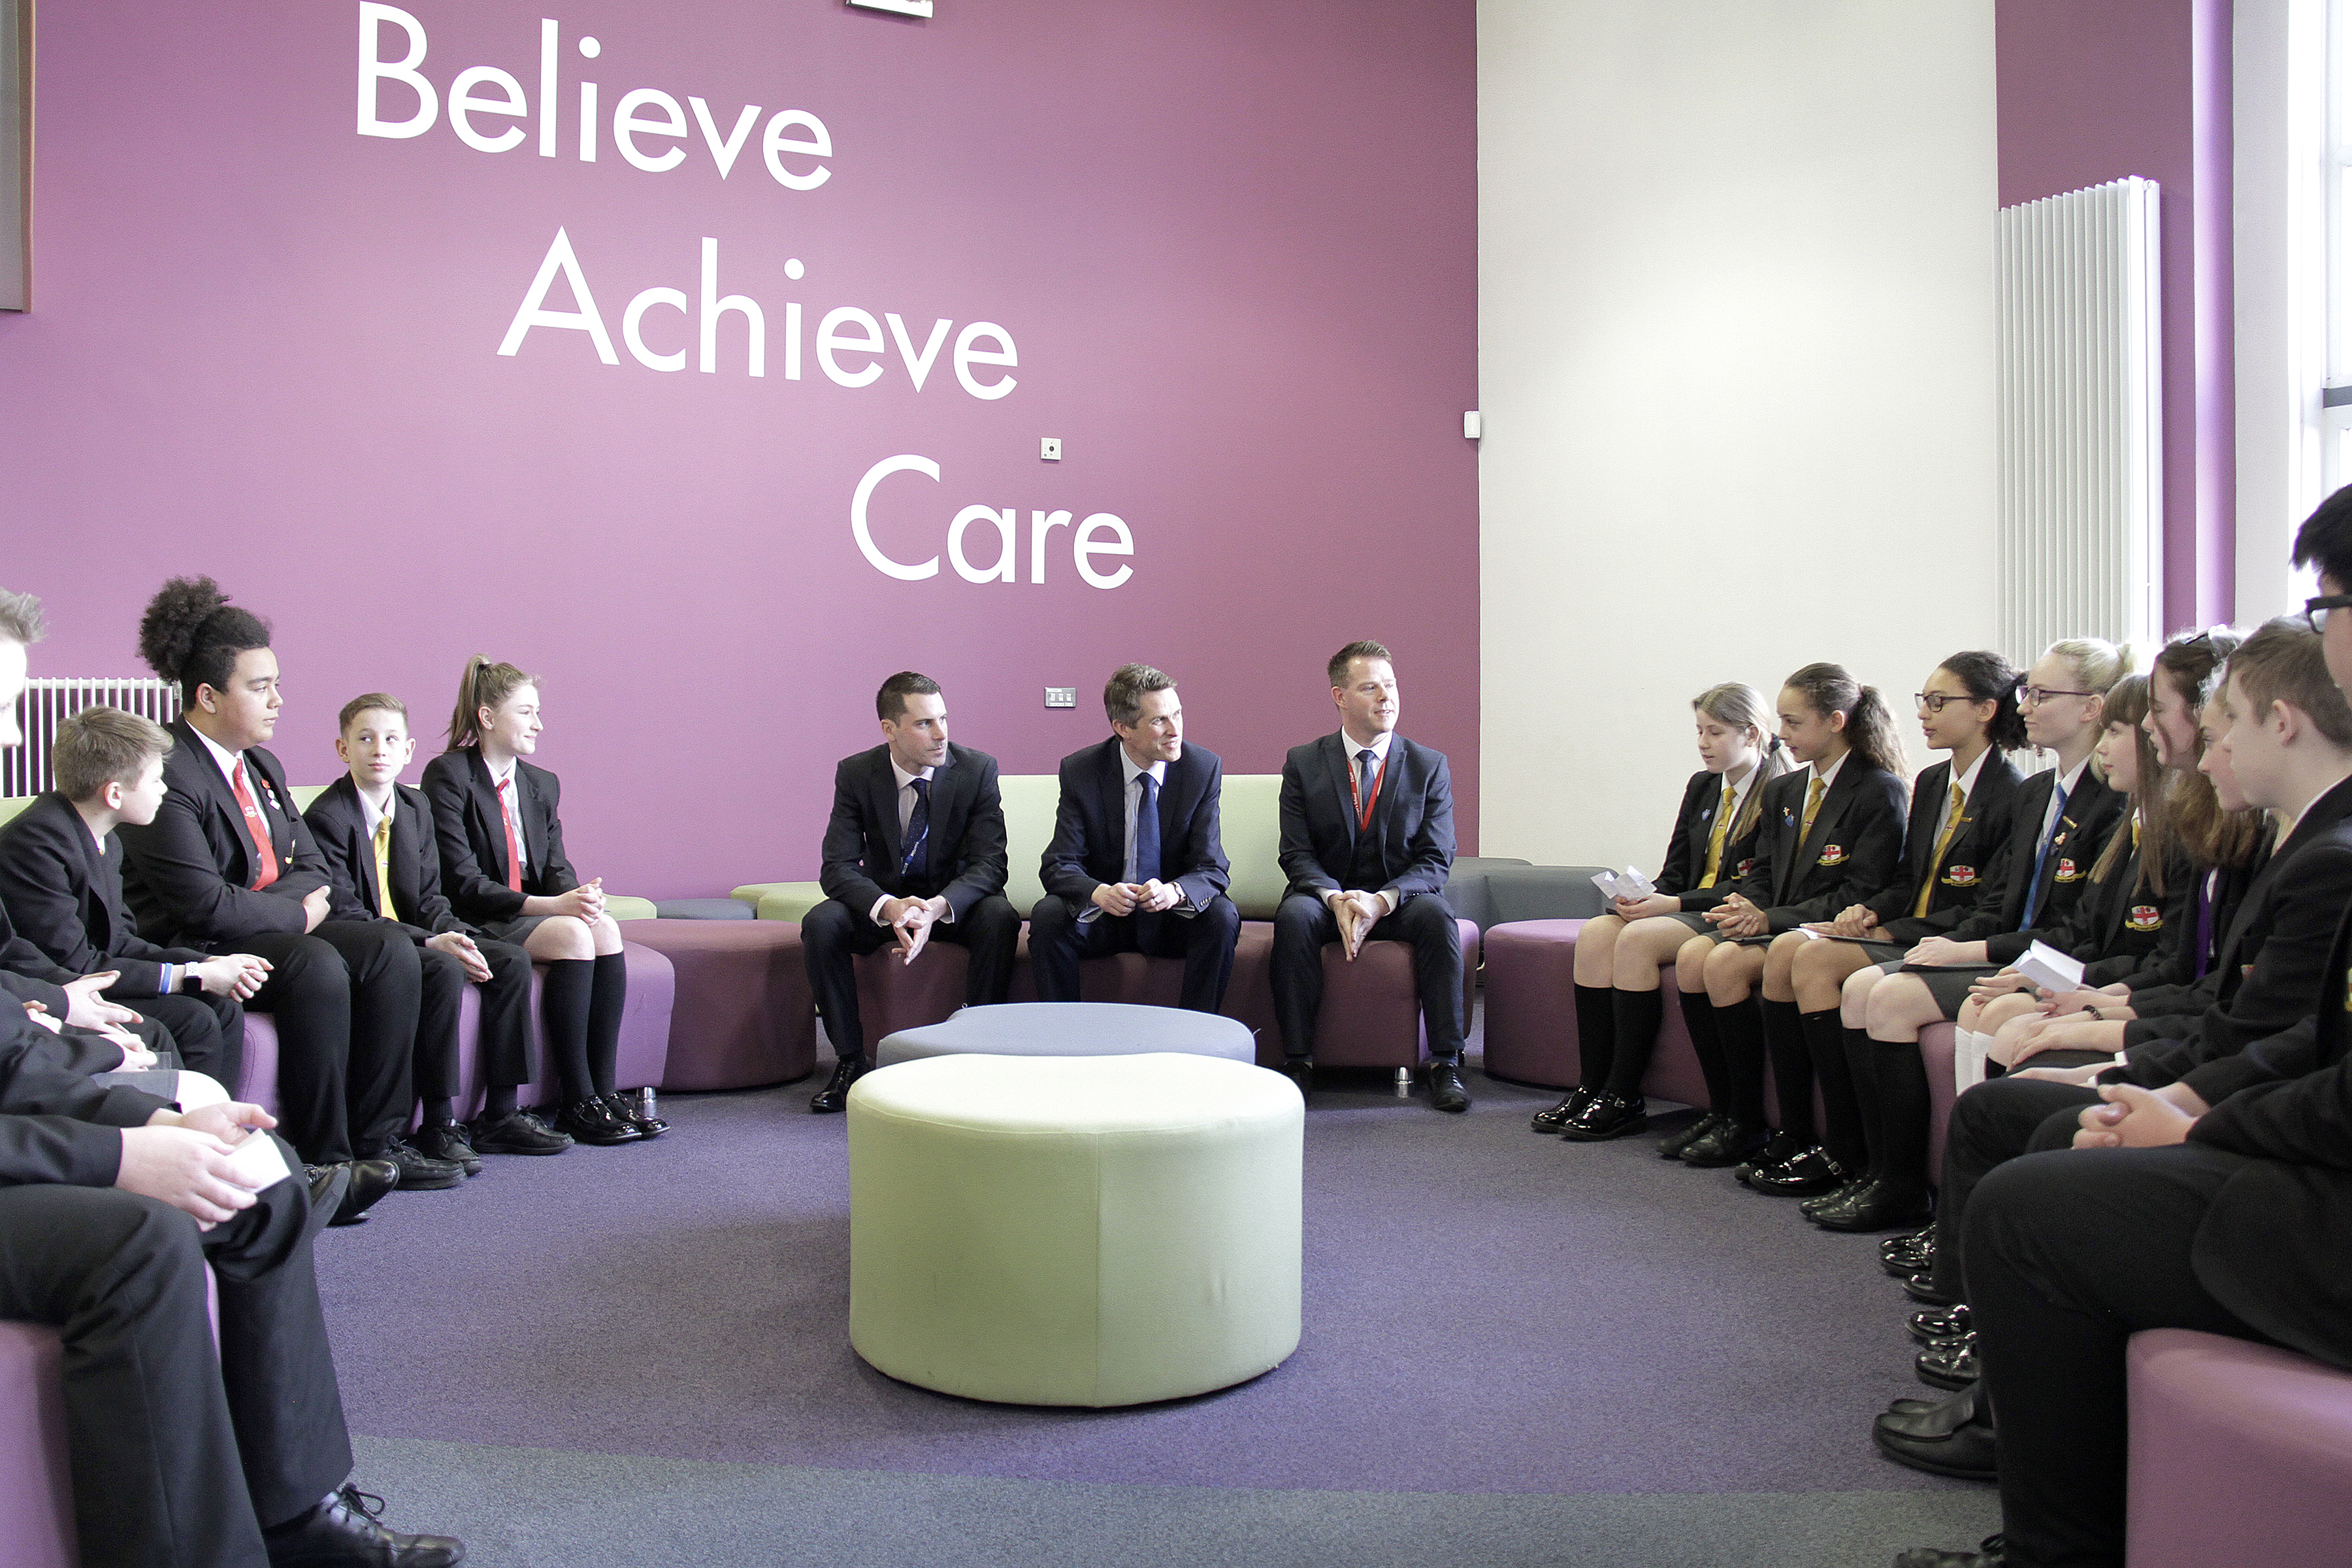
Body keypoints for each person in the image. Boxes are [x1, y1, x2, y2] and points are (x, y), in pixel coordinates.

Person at [1889, 492, 2352, 1568]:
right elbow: (2290, 1045)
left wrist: (2190, 1125)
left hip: (2327, 1202)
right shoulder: (2306, 842)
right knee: (2042, 1147)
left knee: (2027, 1205)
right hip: (2297, 1145)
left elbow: (2304, 1061)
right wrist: (2179, 1102)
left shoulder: (2326, 854)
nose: (2204, 744)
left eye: (2328, 603)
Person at [0, 587, 465, 1568]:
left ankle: (304, 1515)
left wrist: (124, 1089)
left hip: (32, 1087)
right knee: (144, 1237)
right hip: (39, 1117)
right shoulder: (48, 836)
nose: (13, 736)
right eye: (1, 709)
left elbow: (15, 1014)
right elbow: (150, 930)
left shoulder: (256, 769)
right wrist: (116, 1144)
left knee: (253, 1181)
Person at [116, 578, 433, 1218]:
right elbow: (202, 902)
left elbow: (311, 862)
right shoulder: (168, 769)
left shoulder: (262, 767)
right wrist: (295, 911)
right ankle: (326, 1157)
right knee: (315, 963)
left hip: (266, 923)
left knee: (389, 948)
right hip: (204, 942)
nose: (278, 701)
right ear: (207, 697)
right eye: (260, 687)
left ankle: (381, 1142)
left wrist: (297, 901)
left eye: (275, 684)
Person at [1748, 652, 2029, 1232]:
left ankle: (1870, 1164)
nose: (1923, 713)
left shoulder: (2013, 792)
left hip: (1948, 938)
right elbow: (1907, 883)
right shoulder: (1931, 782)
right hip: (1911, 927)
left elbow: (1985, 908)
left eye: (1938, 701)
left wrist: (1891, 930)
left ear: (1985, 711)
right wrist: (1869, 911)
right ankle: (1845, 1152)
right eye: (1923, 700)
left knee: (1817, 961)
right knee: (1800, 951)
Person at [305, 694, 571, 1165]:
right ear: (343, 750)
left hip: (417, 932)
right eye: (365, 739)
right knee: (443, 969)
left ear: (408, 751)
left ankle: (502, 1114)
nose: (378, 750)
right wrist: (431, 941)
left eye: (390, 740)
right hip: (371, 944)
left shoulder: (414, 808)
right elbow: (345, 910)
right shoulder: (328, 817)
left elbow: (430, 898)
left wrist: (458, 934)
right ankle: (439, 1122)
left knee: (508, 959)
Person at [420, 658, 661, 1147]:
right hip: (479, 915)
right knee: (573, 933)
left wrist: (581, 897)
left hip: (534, 909)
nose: (539, 724)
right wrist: (552, 907)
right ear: (488, 718)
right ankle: (578, 1100)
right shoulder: (448, 775)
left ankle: (604, 1092)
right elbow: (462, 881)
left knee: (605, 928)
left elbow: (556, 866)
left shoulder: (540, 783)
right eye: (526, 712)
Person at [1539, 681, 1793, 1144]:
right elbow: (1677, 869)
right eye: (1699, 731)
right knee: (1598, 932)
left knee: (1637, 941)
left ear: (1752, 734)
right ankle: (1590, 1085)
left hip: (1723, 912)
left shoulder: (1777, 793)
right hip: (1684, 903)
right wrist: (1643, 896)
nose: (1703, 744)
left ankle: (1622, 1093)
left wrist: (1672, 904)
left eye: (1715, 733)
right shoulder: (1703, 787)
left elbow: (1757, 887)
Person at [1678, 662, 1908, 1168]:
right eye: (1780, 721)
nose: (1783, 735)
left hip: (1823, 928)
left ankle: (1798, 1128)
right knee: (1699, 954)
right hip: (1784, 921)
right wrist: (1749, 904)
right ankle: (1736, 1115)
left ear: (1836, 721)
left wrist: (1771, 919)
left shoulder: (1878, 790)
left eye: (1794, 722)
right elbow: (1762, 869)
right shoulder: (1787, 791)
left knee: (1730, 961)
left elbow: (1860, 892)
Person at [0, 704, 269, 1089]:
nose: (164, 789)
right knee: (191, 1020)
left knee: (222, 1007)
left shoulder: (106, 838)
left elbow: (121, 941)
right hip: (56, 987)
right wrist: (192, 975)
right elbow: (77, 962)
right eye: (157, 780)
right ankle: (178, 1129)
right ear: (114, 793)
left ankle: (217, 1125)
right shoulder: (36, 844)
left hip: (91, 974)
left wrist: (209, 963)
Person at [800, 672, 1019, 1113]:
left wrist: (937, 909)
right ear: (890, 729)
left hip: (949, 906)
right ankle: (849, 1061)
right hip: (888, 907)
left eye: (943, 719)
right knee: (821, 923)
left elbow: (990, 865)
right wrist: (891, 908)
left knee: (1000, 915)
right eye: (924, 724)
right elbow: (837, 868)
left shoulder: (976, 770)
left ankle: (976, 1052)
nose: (941, 735)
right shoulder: (858, 773)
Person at [1271, 640, 1467, 1110]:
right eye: (1370, 687)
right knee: (1294, 919)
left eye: (1392, 685)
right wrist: (1335, 898)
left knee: (1439, 918)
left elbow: (1437, 858)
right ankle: (1298, 1060)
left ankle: (1446, 1062)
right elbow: (1296, 853)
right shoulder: (1304, 762)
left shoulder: (1427, 765)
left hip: (1399, 899)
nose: (1387, 697)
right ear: (1339, 696)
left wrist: (1381, 901)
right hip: (1326, 897)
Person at [1032, 663, 1241, 1012]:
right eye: (1160, 720)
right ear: (1122, 728)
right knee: (1049, 915)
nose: (1175, 730)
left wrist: (1175, 891)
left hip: (1171, 915)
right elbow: (1059, 864)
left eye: (1178, 714)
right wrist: (1098, 892)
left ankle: (1195, 1039)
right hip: (1106, 915)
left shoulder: (1201, 768)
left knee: (1221, 916)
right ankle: (1063, 1036)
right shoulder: (1082, 771)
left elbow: (1213, 867)